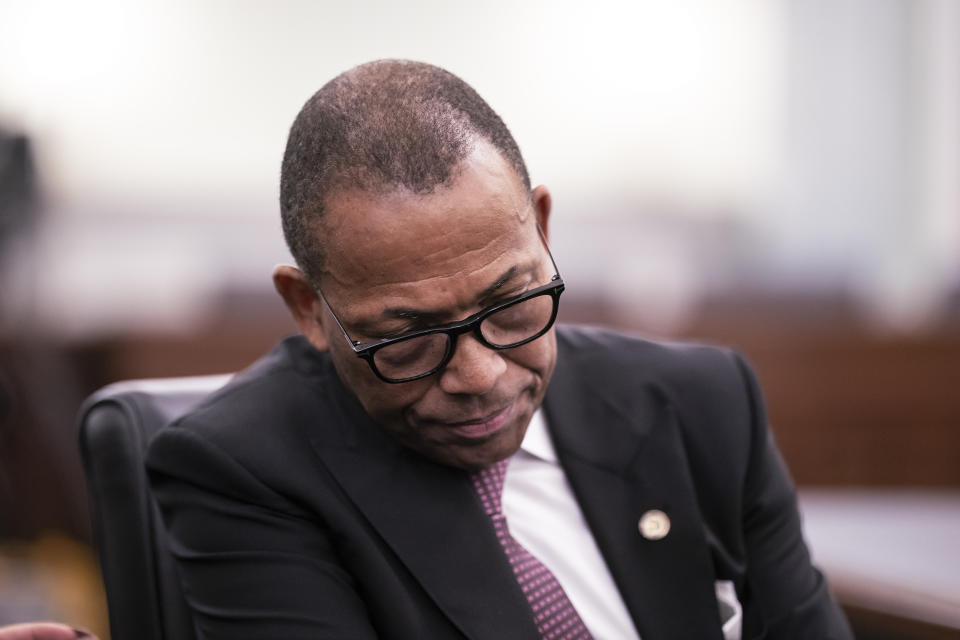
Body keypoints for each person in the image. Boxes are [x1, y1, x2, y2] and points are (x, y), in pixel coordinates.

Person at [145, 60, 852, 639]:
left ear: (542, 230)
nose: (480, 375)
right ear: (310, 309)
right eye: (408, 338)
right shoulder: (244, 468)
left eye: (510, 306)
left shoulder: (703, 403)